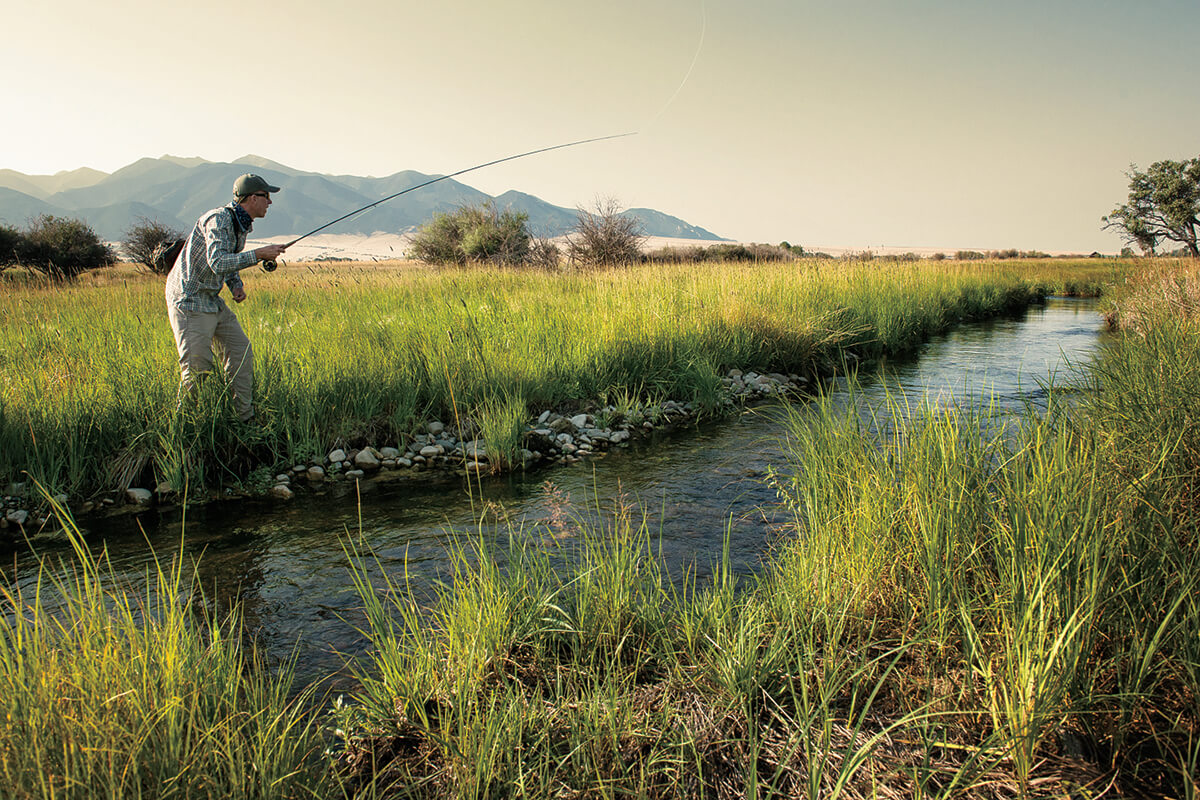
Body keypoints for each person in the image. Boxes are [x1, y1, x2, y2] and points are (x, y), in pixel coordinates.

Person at [164, 173, 288, 422]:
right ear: (253, 198)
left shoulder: (240, 224)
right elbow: (218, 261)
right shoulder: (218, 219)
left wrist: (235, 285)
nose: (270, 203)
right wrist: (259, 254)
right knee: (197, 369)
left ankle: (246, 419)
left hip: (211, 299)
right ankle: (183, 429)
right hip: (189, 300)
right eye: (267, 197)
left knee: (241, 351)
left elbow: (226, 262)